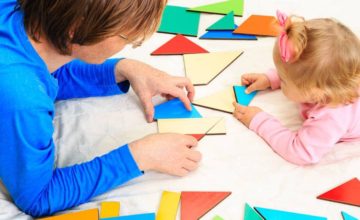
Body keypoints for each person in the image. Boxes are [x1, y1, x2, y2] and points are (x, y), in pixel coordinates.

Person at [0, 0, 202, 217]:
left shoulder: (20, 13)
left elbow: (46, 68)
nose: (129, 45)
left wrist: (121, 69)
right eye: (126, 37)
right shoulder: (22, 100)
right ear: (75, 28)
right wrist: (140, 156)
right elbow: (39, 197)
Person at [233, 11, 360, 165]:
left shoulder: (330, 118)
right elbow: (303, 77)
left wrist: (259, 121)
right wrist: (270, 78)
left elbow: (300, 153)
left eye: (284, 79)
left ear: (315, 93)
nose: (279, 77)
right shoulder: (327, 81)